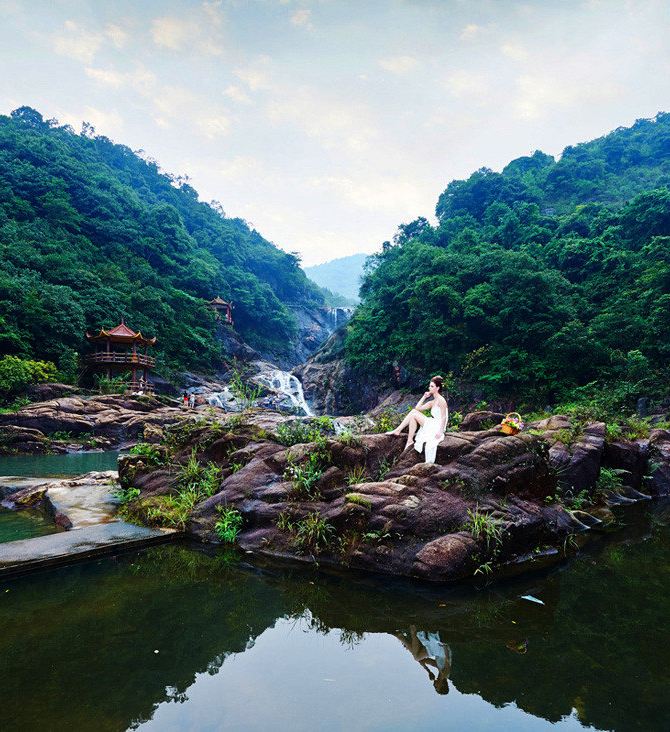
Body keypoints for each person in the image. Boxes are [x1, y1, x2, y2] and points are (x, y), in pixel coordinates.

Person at [387, 375, 448, 463]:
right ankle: (409, 440)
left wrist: (440, 431)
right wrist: (424, 397)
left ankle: (399, 431)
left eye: (432, 386)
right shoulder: (432, 402)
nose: (429, 388)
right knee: (413, 414)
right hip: (433, 422)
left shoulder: (441, 400)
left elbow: (444, 417)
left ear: (437, 388)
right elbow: (417, 408)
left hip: (437, 426)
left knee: (413, 413)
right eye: (429, 386)